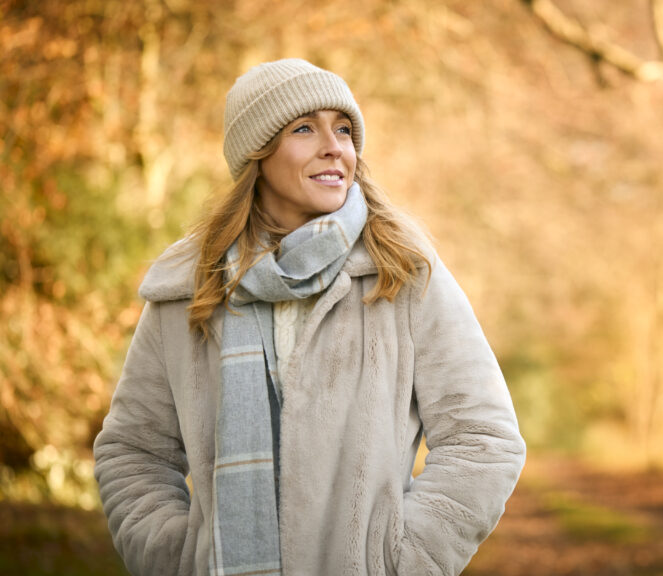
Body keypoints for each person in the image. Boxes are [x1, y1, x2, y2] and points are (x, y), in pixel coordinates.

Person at [93, 58, 526, 576]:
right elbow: (133, 451)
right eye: (305, 128)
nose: (334, 147)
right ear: (257, 153)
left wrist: (403, 563)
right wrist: (175, 559)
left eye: (343, 129)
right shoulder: (186, 289)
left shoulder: (402, 272)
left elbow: (484, 439)